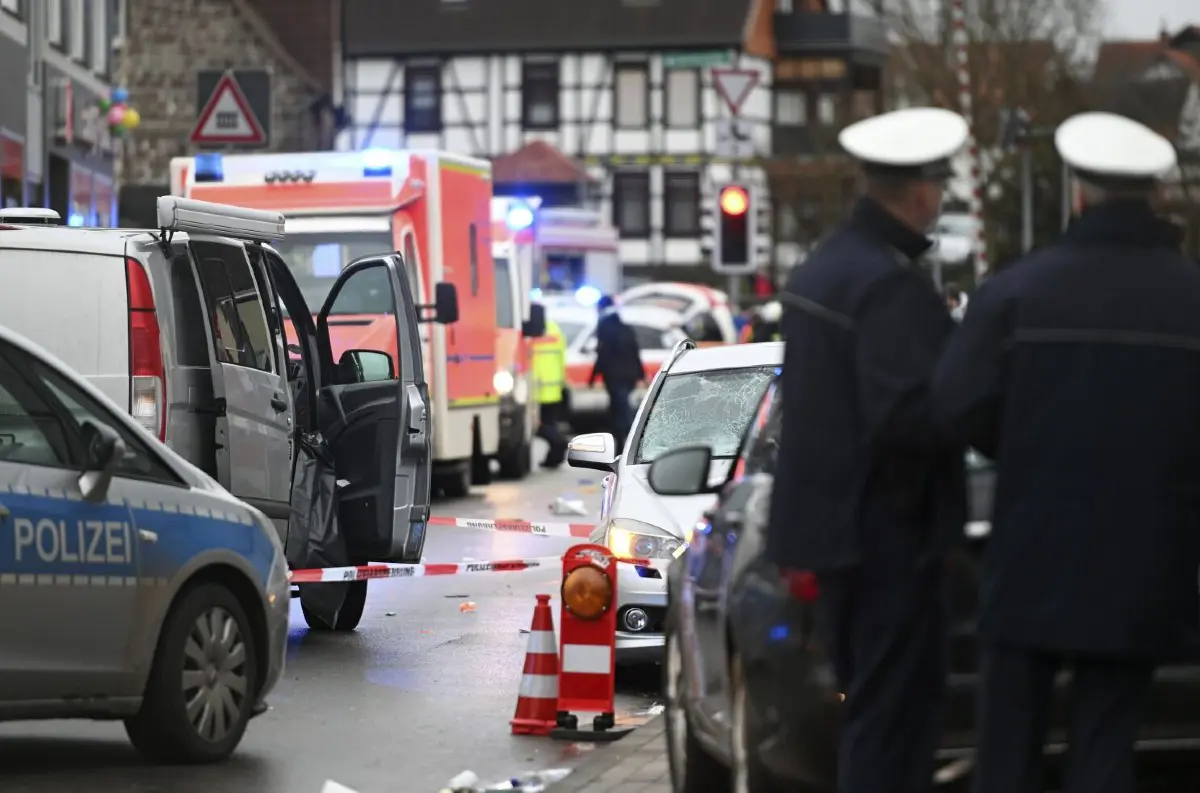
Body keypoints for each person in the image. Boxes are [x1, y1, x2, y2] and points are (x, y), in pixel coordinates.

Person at [932, 112, 1200, 793]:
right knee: (1106, 750)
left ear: (1077, 193)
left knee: (1008, 755)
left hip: (1031, 557)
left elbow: (955, 404)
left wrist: (1023, 443)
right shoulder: (1189, 299)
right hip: (1145, 565)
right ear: (1158, 196)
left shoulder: (1016, 292)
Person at [766, 107, 969, 793]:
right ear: (919, 192)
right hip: (888, 541)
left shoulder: (825, 269)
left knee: (868, 714)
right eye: (938, 185)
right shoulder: (888, 286)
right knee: (894, 725)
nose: (940, 198)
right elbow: (907, 419)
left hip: (833, 538)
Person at [589, 295, 643, 449]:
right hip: (630, 374)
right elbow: (635, 352)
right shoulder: (625, 328)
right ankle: (621, 442)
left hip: (615, 376)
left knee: (620, 408)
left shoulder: (604, 326)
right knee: (619, 406)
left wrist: (593, 377)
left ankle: (630, 437)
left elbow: (603, 353)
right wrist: (641, 374)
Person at [530, 316, 569, 468]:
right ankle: (554, 456)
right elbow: (562, 357)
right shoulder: (555, 329)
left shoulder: (530, 329)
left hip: (535, 389)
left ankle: (560, 443)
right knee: (549, 423)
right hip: (553, 388)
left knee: (540, 427)